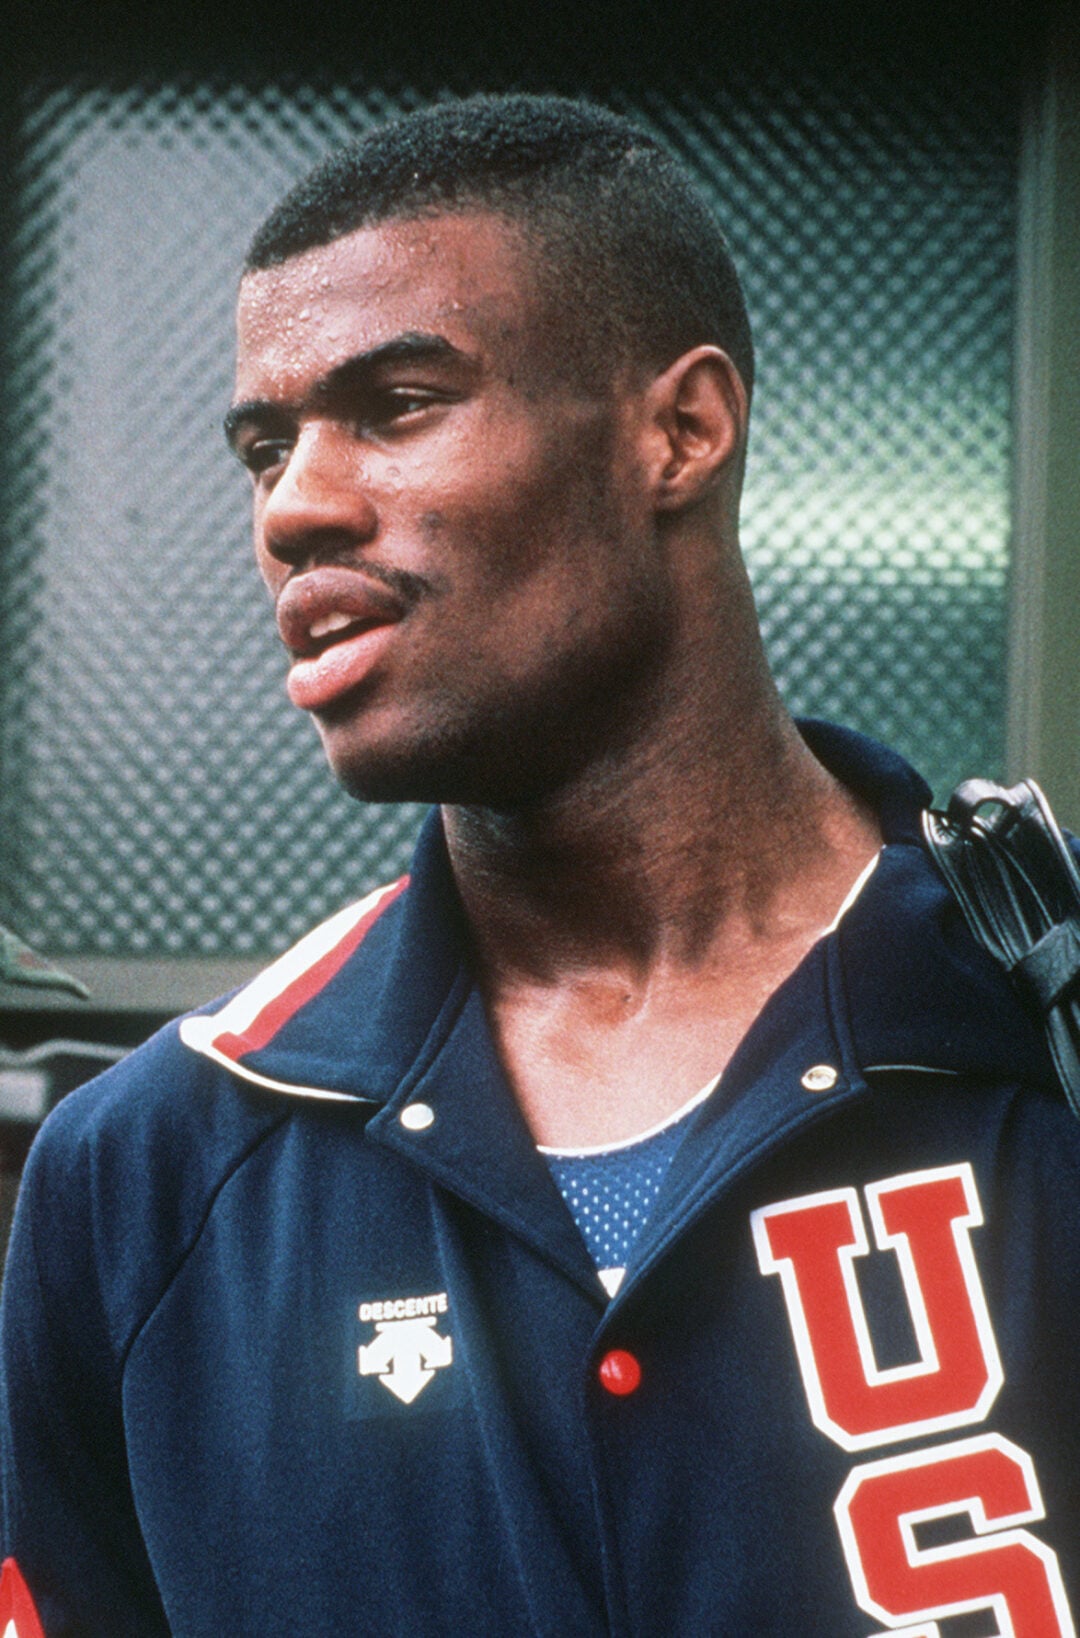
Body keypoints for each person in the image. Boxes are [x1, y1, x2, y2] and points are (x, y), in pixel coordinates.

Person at [1, 93, 1077, 1637]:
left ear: (679, 433)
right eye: (264, 444)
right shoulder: (157, 1166)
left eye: (398, 402)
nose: (297, 503)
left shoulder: (1040, 1007)